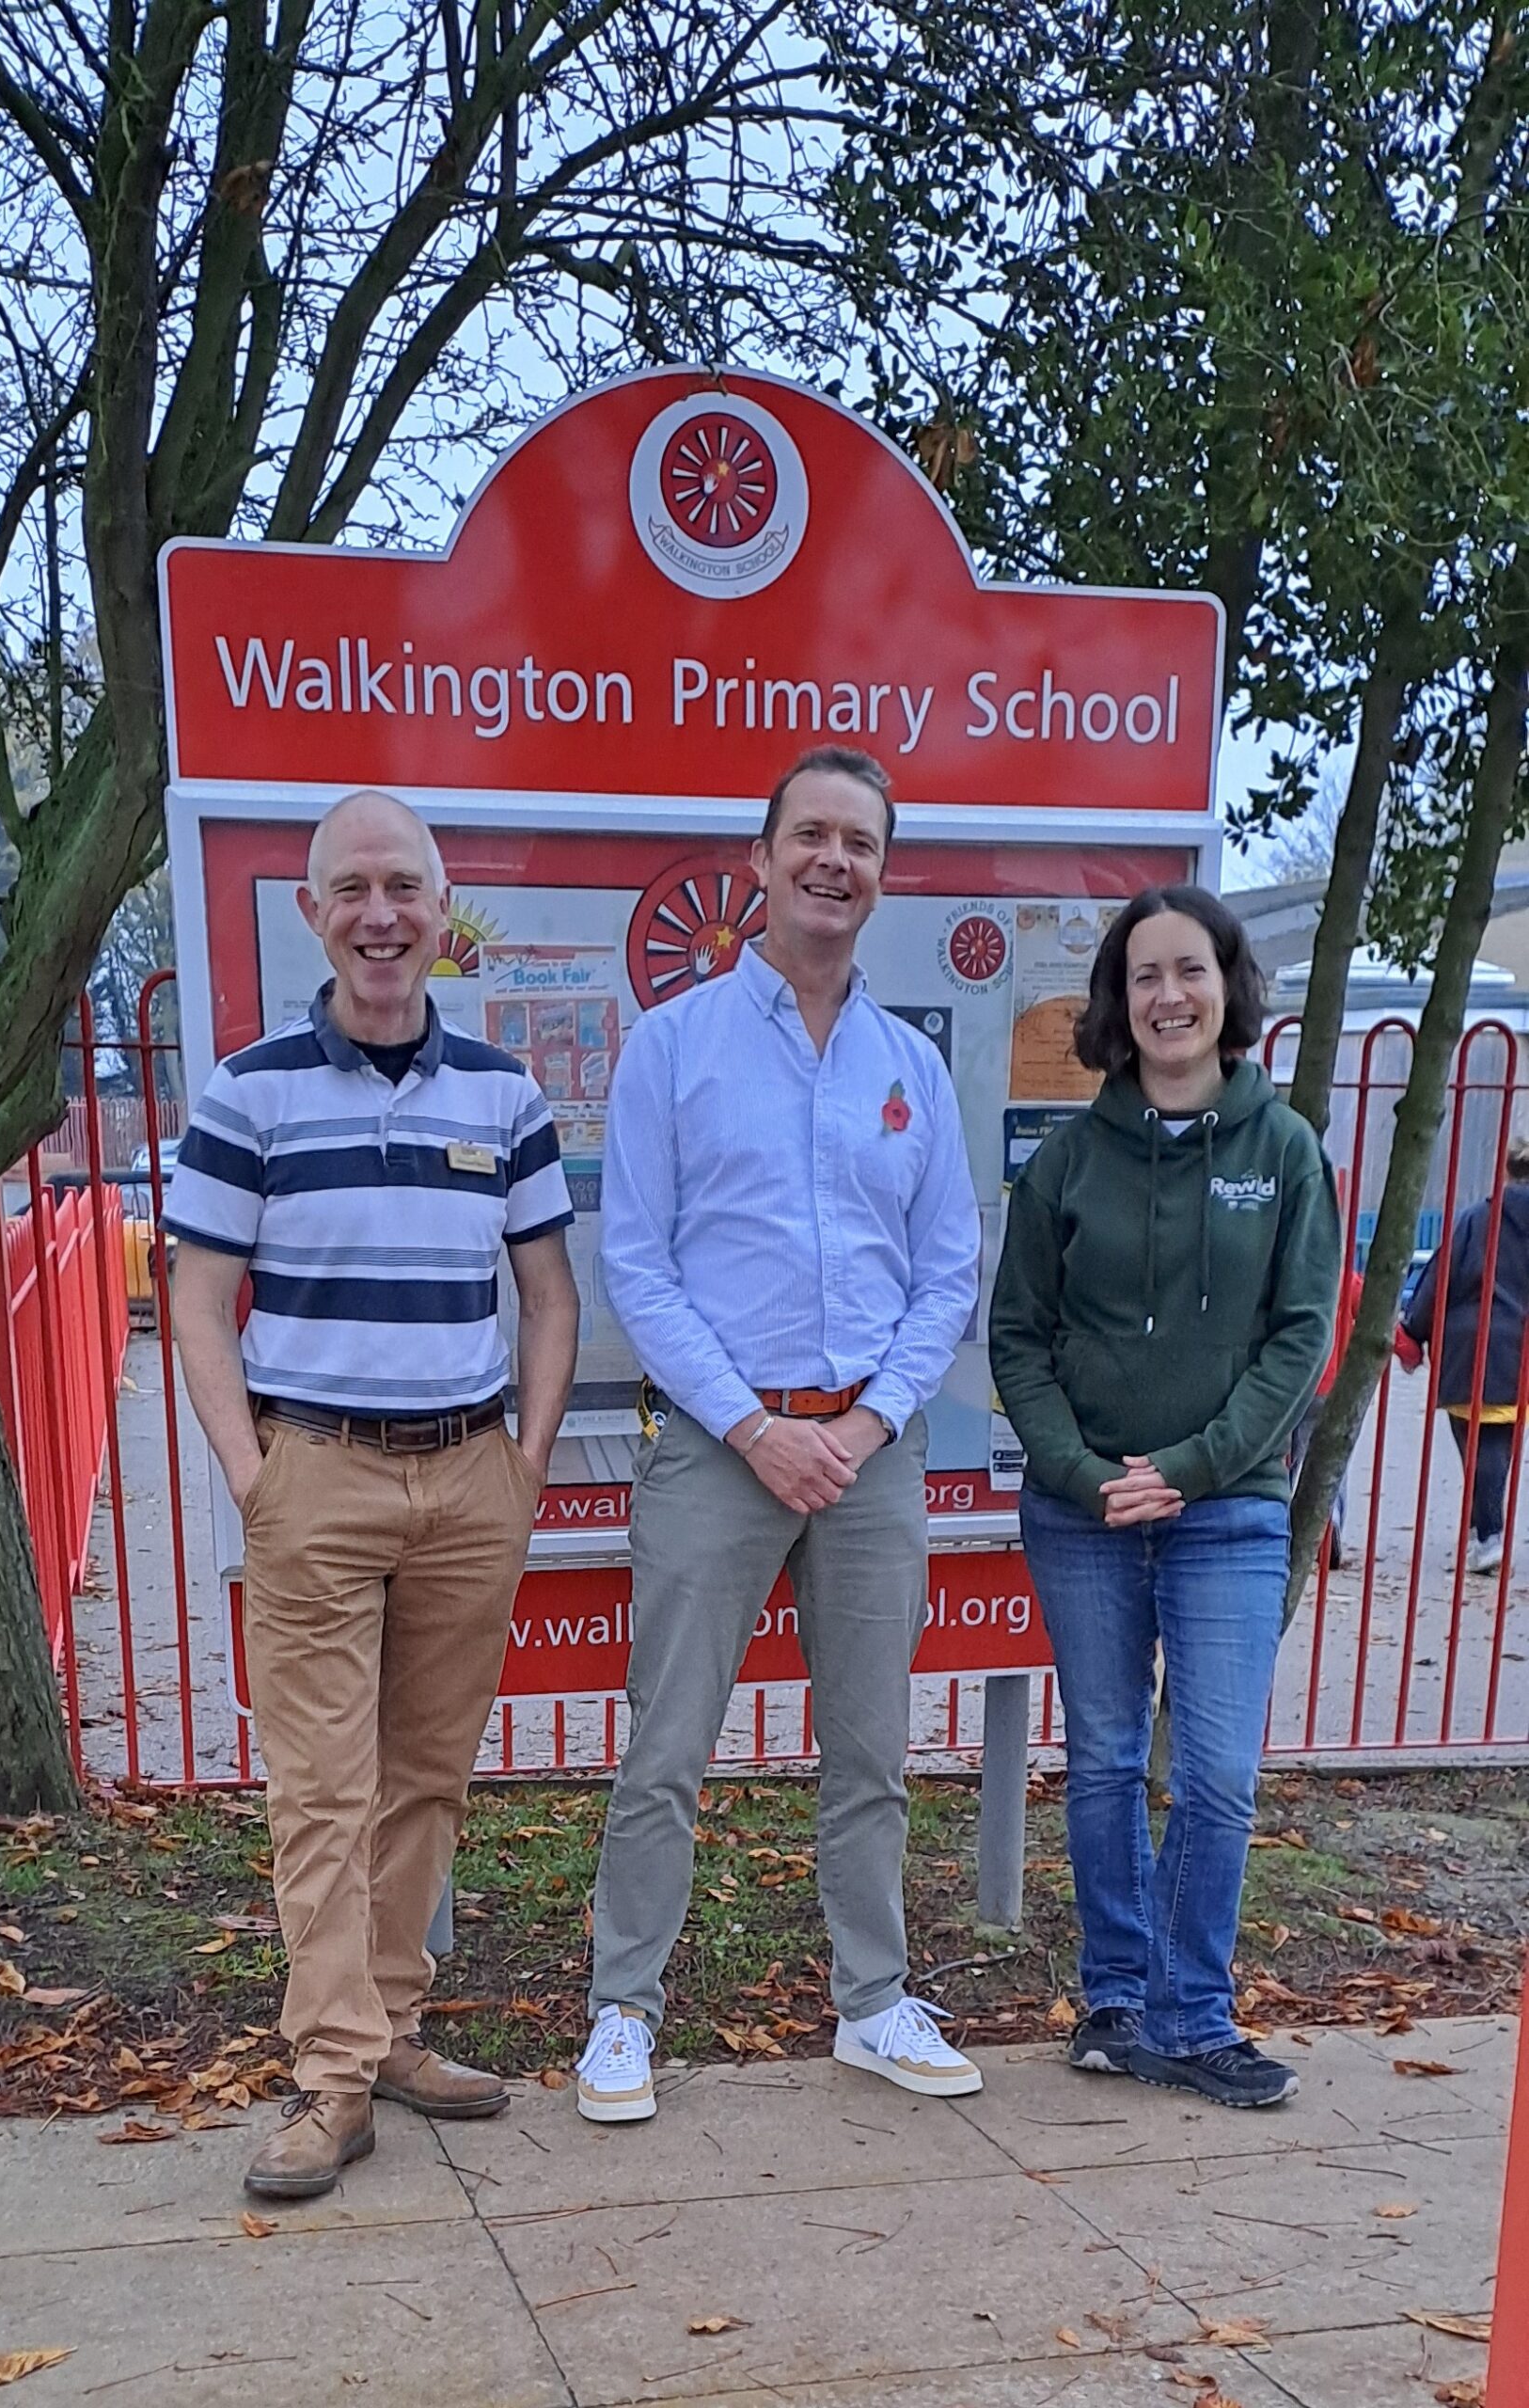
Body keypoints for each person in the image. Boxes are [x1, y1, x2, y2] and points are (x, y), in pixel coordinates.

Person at [166, 790, 579, 2198]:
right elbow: (198, 1298)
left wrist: (520, 1466)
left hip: (467, 1475)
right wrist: (251, 1475)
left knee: (424, 1783)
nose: (381, 913)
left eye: (404, 885)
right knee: (320, 1793)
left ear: (442, 908)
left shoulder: (504, 1094)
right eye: (352, 888)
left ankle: (395, 2026)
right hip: (317, 1476)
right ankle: (332, 2079)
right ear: (312, 914)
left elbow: (546, 1293)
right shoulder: (247, 1090)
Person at [575, 746, 982, 2122]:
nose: (832, 860)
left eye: (857, 842)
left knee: (869, 1752)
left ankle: (872, 2002)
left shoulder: (907, 1065)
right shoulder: (675, 1044)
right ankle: (621, 2011)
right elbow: (637, 1263)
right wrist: (754, 1428)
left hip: (868, 1457)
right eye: (807, 834)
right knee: (665, 1746)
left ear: (879, 874)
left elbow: (945, 1272)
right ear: (756, 864)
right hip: (716, 1446)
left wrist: (864, 1424)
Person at [989, 885, 1339, 2111]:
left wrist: (1185, 1469)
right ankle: (1116, 2006)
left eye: (1188, 970)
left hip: (1229, 1510)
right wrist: (1084, 1474)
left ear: (1226, 986)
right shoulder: (1071, 1159)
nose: (1168, 995)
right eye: (1143, 975)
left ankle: (1194, 2018)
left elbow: (1299, 1338)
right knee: (1101, 1764)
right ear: (1117, 1001)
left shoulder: (1284, 1148)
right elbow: (1017, 1338)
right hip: (1080, 1515)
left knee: (1217, 1776)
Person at [1400, 1135, 1529, 1576]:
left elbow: (1441, 1276)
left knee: (1478, 1444)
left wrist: (1412, 1333)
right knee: (1501, 1441)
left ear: (1508, 1169)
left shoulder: (1479, 1218)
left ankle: (1488, 1534)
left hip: (1470, 1345)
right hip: (1522, 1347)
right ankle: (1484, 1533)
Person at [1290, 1266, 1363, 1569]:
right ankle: (1326, 1519)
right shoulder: (1346, 1279)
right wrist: (1408, 1349)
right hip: (1333, 1384)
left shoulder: (1289, 1274)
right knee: (1332, 1457)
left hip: (1291, 1385)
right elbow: (1379, 1318)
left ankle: (1281, 1527)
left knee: (1286, 1459)